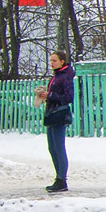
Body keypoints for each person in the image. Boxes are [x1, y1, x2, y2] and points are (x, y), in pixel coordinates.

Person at [35, 50, 75, 193]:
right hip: (51, 113)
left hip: (59, 114)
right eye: (51, 61)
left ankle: (61, 179)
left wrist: (50, 95)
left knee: (59, 147)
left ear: (62, 61)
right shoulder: (56, 76)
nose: (52, 63)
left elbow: (69, 97)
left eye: (54, 60)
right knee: (52, 148)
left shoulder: (65, 77)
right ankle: (58, 178)